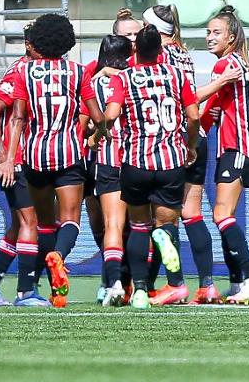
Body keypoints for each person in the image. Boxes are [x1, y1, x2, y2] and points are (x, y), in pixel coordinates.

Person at [0, 14, 106, 307]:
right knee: (69, 221)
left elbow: (18, 118)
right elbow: (96, 115)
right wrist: (101, 131)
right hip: (69, 154)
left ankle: (33, 288)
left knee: (42, 223)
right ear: (66, 40)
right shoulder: (78, 72)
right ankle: (58, 256)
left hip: (35, 157)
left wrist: (8, 157)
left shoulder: (25, 73)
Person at [142, 5, 241, 305]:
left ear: (156, 31)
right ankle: (207, 285)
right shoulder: (184, 53)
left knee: (162, 219)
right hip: (195, 137)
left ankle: (170, 284)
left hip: (172, 138)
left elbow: (177, 96)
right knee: (192, 214)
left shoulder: (161, 56)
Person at [96, 25, 200, 309]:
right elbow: (193, 116)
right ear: (160, 50)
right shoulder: (177, 75)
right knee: (167, 224)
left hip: (136, 162)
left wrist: (100, 131)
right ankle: (174, 279)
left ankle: (140, 290)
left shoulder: (125, 78)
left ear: (135, 51)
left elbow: (113, 113)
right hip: (171, 159)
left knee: (138, 226)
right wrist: (190, 145)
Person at [0, 23, 50, 307]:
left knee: (21, 225)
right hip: (14, 160)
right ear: (30, 45)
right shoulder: (19, 71)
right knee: (31, 222)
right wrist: (2, 151)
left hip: (35, 158)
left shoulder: (50, 72)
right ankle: (25, 291)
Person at [204, 6, 249, 304]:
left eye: (216, 33)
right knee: (227, 215)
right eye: (209, 32)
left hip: (235, 146)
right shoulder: (240, 64)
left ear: (231, 37)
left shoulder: (225, 66)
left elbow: (203, 103)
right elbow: (216, 107)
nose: (210, 37)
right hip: (238, 146)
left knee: (221, 214)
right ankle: (237, 282)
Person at [85, 35, 133, 306]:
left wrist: (94, 135)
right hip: (136, 157)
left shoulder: (91, 83)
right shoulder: (136, 79)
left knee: (108, 224)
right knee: (138, 225)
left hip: (102, 159)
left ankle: (110, 282)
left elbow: (84, 124)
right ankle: (137, 285)